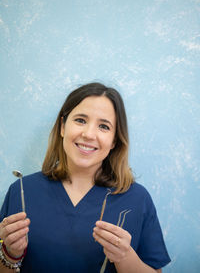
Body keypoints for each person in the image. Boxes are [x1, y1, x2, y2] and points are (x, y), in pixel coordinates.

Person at [0, 82, 171, 273]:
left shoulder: (138, 199)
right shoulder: (21, 191)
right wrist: (10, 255)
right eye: (80, 120)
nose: (89, 134)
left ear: (114, 140)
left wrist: (124, 257)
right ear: (63, 127)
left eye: (104, 126)